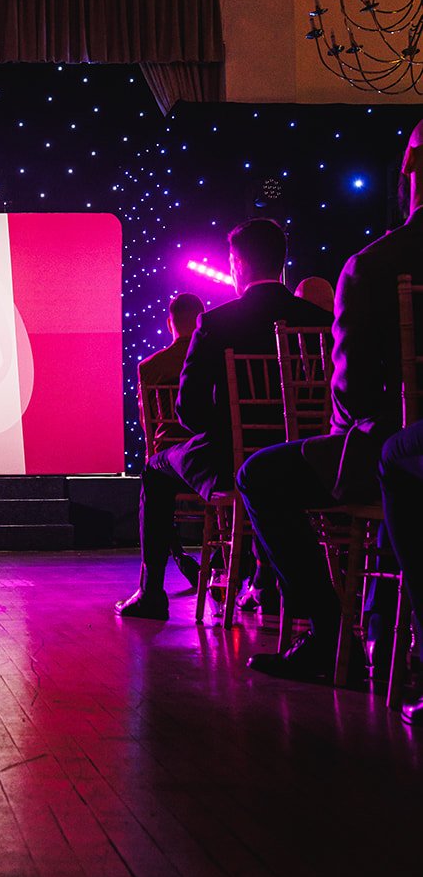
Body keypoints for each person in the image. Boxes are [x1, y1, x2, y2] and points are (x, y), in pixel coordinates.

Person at [240, 122, 423, 685]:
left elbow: (353, 395)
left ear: (410, 177)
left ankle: (330, 637)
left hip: (397, 447)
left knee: (260, 475)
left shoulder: (375, 263)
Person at [117, 218, 332, 620]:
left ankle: (151, 593)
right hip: (305, 461)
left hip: (230, 458)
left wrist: (226, 427)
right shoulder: (319, 322)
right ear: (281, 262)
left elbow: (189, 410)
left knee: (154, 468)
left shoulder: (216, 323)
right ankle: (269, 588)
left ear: (238, 263)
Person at [137, 291, 205, 585]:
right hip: (212, 458)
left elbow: (148, 428)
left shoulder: (151, 367)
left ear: (169, 323)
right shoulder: (217, 357)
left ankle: (155, 581)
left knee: (153, 480)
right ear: (202, 321)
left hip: (172, 464)